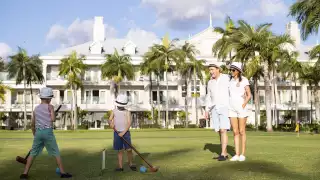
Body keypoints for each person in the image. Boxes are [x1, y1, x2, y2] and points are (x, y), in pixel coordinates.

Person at [20, 87, 72, 179]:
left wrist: (35, 134)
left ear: (41, 97)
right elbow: (52, 119)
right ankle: (63, 173)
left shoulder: (36, 109)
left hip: (38, 132)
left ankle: (24, 173)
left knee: (33, 153)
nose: (51, 99)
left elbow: (32, 124)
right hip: (48, 132)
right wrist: (52, 112)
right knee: (56, 152)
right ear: (48, 98)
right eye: (51, 98)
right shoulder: (50, 107)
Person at [205, 63, 231, 161]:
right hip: (214, 108)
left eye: (212, 69)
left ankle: (223, 154)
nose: (210, 72)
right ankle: (223, 152)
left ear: (218, 69)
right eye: (210, 70)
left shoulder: (227, 78)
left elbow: (237, 78)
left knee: (223, 130)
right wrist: (207, 110)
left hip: (225, 107)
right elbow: (208, 97)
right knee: (220, 131)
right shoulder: (210, 82)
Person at [228, 62, 252, 162]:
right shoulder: (229, 81)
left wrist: (244, 103)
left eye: (233, 70)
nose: (231, 72)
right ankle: (236, 154)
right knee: (235, 132)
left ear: (238, 71)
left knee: (242, 131)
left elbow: (249, 95)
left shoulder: (244, 80)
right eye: (230, 70)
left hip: (241, 108)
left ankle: (242, 154)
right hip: (231, 108)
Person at [109, 93, 137, 171]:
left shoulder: (127, 112)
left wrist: (123, 133)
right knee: (120, 150)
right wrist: (110, 123)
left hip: (126, 133)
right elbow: (109, 119)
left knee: (129, 150)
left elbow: (129, 123)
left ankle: (131, 164)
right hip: (117, 133)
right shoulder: (114, 111)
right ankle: (120, 167)